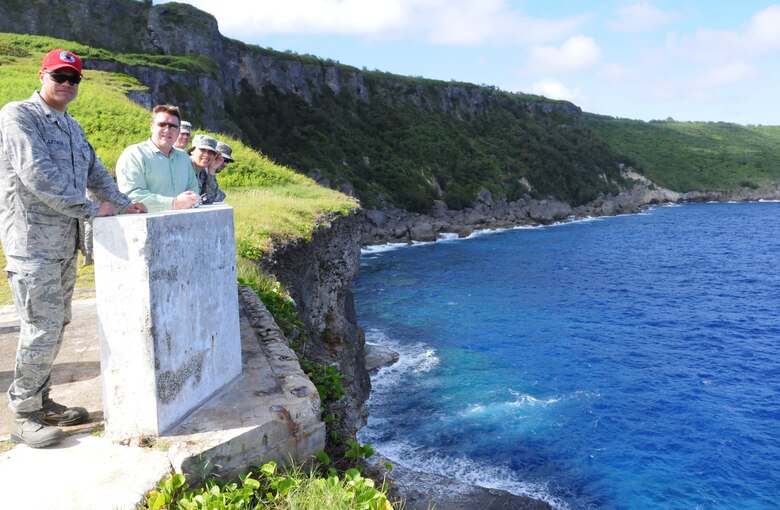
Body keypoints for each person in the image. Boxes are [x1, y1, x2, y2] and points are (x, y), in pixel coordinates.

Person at [0, 48, 147, 448]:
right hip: (32, 244)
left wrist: (120, 203)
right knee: (41, 327)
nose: (66, 84)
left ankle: (41, 400)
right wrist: (90, 208)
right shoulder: (19, 116)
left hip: (64, 244)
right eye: (59, 76)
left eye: (74, 79)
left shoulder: (72, 126)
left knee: (56, 324)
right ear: (42, 74)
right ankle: (24, 413)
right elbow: (37, 175)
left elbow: (96, 171)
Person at [116, 105, 201, 212]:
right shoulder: (134, 154)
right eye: (162, 124)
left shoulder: (184, 157)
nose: (167, 129)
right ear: (152, 127)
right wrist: (174, 203)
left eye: (173, 126)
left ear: (178, 131)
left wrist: (190, 201)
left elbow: (193, 190)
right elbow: (132, 195)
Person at [188, 134, 225, 204]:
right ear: (192, 151)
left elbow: (209, 199)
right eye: (202, 150)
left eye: (210, 152)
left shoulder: (203, 171)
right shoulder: (184, 166)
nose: (206, 155)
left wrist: (212, 170)